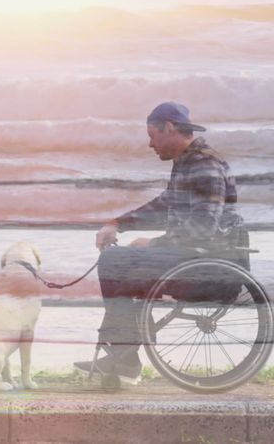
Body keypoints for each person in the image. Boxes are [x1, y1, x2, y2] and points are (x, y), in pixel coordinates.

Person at [74, 101, 243, 385]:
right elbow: (163, 206)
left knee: (117, 262)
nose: (150, 144)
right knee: (119, 262)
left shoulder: (205, 166)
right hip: (189, 258)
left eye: (153, 135)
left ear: (170, 128)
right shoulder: (187, 163)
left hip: (210, 269)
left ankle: (125, 357)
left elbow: (204, 228)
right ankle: (124, 354)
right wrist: (118, 224)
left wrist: (153, 244)